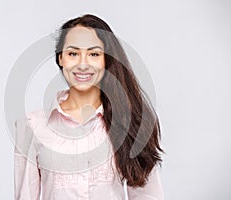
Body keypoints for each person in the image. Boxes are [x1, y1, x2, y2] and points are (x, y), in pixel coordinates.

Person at [14, 14, 164, 200]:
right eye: (73, 53)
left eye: (93, 54)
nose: (82, 64)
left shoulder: (130, 122)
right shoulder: (32, 126)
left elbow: (148, 196)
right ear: (61, 59)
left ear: (106, 60)